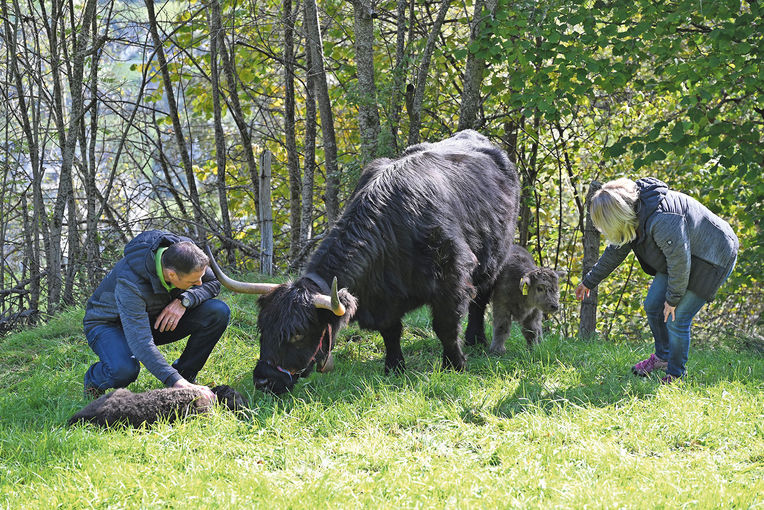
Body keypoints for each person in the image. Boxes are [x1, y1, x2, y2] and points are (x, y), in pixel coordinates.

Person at [575, 177, 738, 384]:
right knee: (653, 305)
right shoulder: (633, 215)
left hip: (712, 256)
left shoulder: (663, 219)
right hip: (683, 254)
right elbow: (615, 251)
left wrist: (673, 299)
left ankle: (676, 374)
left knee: (677, 318)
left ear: (618, 216)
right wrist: (589, 281)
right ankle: (663, 357)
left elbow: (679, 263)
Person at [82, 230, 230, 400]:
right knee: (124, 370)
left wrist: (185, 299)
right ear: (171, 274)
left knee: (217, 311)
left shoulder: (188, 254)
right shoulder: (130, 283)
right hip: (110, 325)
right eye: (192, 282)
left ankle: (185, 376)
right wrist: (172, 380)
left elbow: (212, 283)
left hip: (155, 317)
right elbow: (141, 342)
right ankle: (94, 380)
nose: (198, 283)